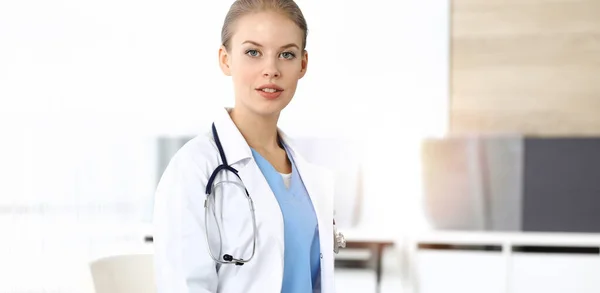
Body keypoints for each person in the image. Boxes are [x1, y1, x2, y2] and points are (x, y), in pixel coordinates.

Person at [152, 1, 342, 292]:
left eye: (286, 55)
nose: (271, 69)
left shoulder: (308, 176)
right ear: (225, 59)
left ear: (302, 64)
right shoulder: (193, 168)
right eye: (253, 52)